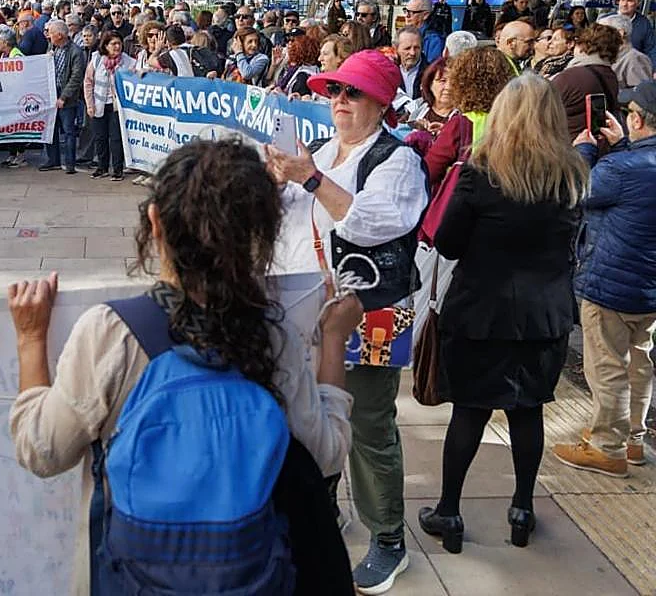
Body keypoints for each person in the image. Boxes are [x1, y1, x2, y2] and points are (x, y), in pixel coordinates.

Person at [9, 139, 362, 596]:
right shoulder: (274, 336)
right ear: (259, 232)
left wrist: (30, 340)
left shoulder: (111, 333)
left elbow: (43, 450)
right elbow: (327, 453)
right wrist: (333, 340)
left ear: (155, 222)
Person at [265, 49, 429, 595]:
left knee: (369, 427)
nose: (338, 101)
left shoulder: (397, 159)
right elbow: (296, 220)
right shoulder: (329, 150)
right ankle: (327, 507)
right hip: (313, 306)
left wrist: (309, 177)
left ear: (381, 102)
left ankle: (388, 538)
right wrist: (279, 181)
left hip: (373, 308)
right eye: (334, 91)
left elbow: (370, 223)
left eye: (352, 92)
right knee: (312, 412)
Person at [419, 74, 588, 553]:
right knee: (527, 411)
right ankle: (521, 509)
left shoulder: (480, 174)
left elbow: (448, 243)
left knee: (469, 412)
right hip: (545, 315)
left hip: (479, 312)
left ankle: (449, 512)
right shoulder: (572, 176)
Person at [552, 81, 656, 476]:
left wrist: (585, 150)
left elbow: (579, 190)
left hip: (610, 283)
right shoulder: (631, 163)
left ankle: (606, 447)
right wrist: (623, 146)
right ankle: (633, 441)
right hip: (648, 288)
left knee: (608, 365)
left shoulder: (618, 168)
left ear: (636, 119)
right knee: (640, 362)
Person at [423, 46, 515, 193]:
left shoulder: (461, 124)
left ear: (464, 82)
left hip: (471, 204)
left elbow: (428, 172)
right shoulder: (517, 120)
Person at [552, 22, 622, 143]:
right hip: (600, 146)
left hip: (568, 147)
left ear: (583, 44)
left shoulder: (570, 77)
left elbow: (541, 112)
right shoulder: (611, 76)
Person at [83, 31, 136, 181]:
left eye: (119, 43)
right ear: (105, 46)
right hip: (99, 104)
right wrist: (90, 105)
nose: (117, 47)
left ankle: (117, 169)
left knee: (116, 138)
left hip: (117, 107)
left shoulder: (128, 62)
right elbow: (88, 82)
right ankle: (102, 167)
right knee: (100, 137)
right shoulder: (96, 59)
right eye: (113, 44)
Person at [38, 20, 86, 175]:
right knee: (51, 129)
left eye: (51, 33)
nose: (48, 36)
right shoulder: (52, 47)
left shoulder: (75, 52)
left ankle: (70, 163)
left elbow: (76, 77)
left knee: (68, 131)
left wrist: (64, 97)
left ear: (59, 35)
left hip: (66, 96)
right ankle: (53, 160)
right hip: (51, 93)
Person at [598, 13, 654, 94]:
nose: (597, 35)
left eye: (602, 30)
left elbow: (641, 96)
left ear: (620, 33)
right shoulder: (609, 55)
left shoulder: (635, 59)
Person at [275, 28, 322, 97]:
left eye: (292, 41)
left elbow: (298, 102)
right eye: (288, 40)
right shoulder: (297, 68)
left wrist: (280, 94)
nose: (289, 44)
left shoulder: (303, 75)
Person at [617, 0, 656, 66]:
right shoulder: (607, 20)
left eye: (629, 1)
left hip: (634, 67)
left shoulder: (644, 23)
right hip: (609, 67)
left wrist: (654, 69)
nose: (624, 4)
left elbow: (651, 49)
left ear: (637, 3)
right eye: (622, 0)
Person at [403, 0, 445, 64]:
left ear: (425, 15)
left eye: (411, 12)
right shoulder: (407, 33)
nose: (406, 16)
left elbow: (432, 69)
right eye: (405, 11)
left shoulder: (434, 40)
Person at [394, 26, 426, 99]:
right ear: (396, 49)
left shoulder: (430, 73)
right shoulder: (388, 72)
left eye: (416, 48)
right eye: (407, 48)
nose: (412, 53)